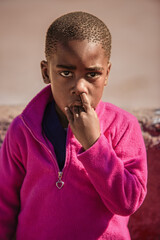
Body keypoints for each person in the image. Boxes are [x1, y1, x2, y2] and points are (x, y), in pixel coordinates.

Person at [0, 11, 147, 240]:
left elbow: (127, 202)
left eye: (92, 74)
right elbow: (4, 206)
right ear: (45, 72)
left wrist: (94, 144)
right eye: (66, 72)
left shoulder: (123, 127)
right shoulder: (24, 130)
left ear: (106, 74)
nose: (79, 87)